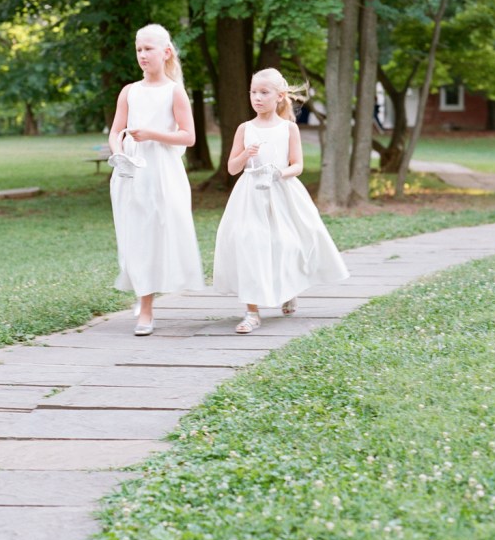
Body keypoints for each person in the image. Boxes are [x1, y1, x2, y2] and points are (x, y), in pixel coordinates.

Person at [213, 68, 349, 334]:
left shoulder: (288, 128)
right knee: (248, 242)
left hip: (282, 191)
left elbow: (297, 165)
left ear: (279, 96)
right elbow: (231, 167)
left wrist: (279, 173)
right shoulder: (245, 128)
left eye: (264, 92)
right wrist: (246, 155)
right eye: (253, 92)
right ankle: (252, 311)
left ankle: (289, 288)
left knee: (286, 243)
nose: (257, 97)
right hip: (251, 193)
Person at [108, 24, 205, 336]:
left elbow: (188, 137)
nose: (142, 55)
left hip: (162, 172)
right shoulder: (129, 92)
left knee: (158, 233)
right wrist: (118, 152)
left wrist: (151, 134)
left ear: (165, 52)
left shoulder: (174, 92)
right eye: (138, 49)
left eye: (148, 49)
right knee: (135, 234)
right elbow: (115, 131)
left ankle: (149, 297)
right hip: (130, 172)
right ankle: (144, 304)